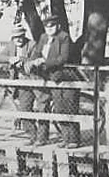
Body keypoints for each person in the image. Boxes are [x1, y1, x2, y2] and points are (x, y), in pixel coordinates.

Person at [24, 14, 80, 147]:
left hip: (64, 76)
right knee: (58, 107)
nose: (49, 29)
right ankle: (65, 139)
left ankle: (73, 140)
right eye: (47, 26)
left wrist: (44, 61)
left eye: (52, 26)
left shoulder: (63, 37)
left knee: (68, 106)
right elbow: (37, 52)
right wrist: (32, 61)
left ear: (58, 26)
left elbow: (63, 58)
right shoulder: (43, 38)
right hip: (49, 77)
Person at [0, 25, 34, 130]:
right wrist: (10, 58)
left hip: (29, 80)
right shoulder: (11, 45)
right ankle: (28, 131)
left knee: (26, 107)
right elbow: (0, 57)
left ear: (24, 35)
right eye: (16, 37)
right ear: (12, 38)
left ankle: (34, 134)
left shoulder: (31, 44)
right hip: (15, 81)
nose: (18, 39)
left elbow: (35, 59)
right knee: (19, 105)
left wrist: (21, 59)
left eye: (21, 36)